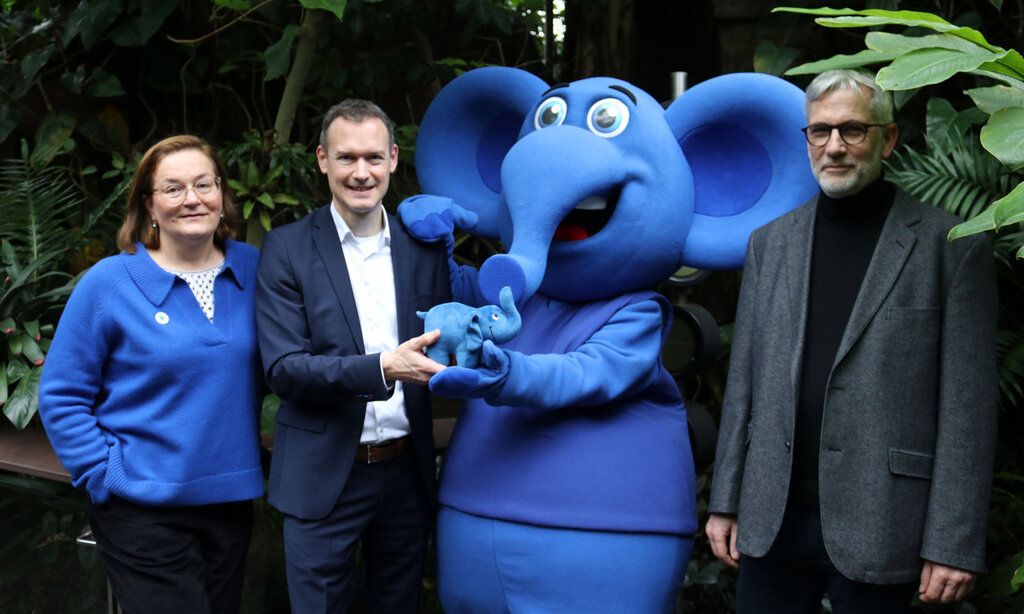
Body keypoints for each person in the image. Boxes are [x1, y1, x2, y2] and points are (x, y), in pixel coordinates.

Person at [705, 68, 998, 613]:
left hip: (887, 518)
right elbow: (743, 381)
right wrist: (726, 499)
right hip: (772, 517)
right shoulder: (769, 245)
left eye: (853, 131)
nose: (834, 147)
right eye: (820, 131)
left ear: (888, 139)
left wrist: (953, 542)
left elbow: (968, 411)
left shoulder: (953, 246)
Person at [38, 135, 264, 614]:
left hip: (229, 503)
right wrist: (104, 474)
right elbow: (61, 394)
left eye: (204, 184)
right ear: (149, 204)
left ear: (222, 194)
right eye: (173, 188)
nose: (192, 199)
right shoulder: (108, 283)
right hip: (141, 507)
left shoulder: (256, 270)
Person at [256, 98, 450, 613]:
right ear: (322, 159)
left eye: (372, 158)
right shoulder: (287, 248)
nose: (360, 173)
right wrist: (383, 367)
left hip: (407, 473)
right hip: (323, 479)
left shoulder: (425, 246)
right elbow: (284, 369)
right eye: (346, 158)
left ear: (392, 158)